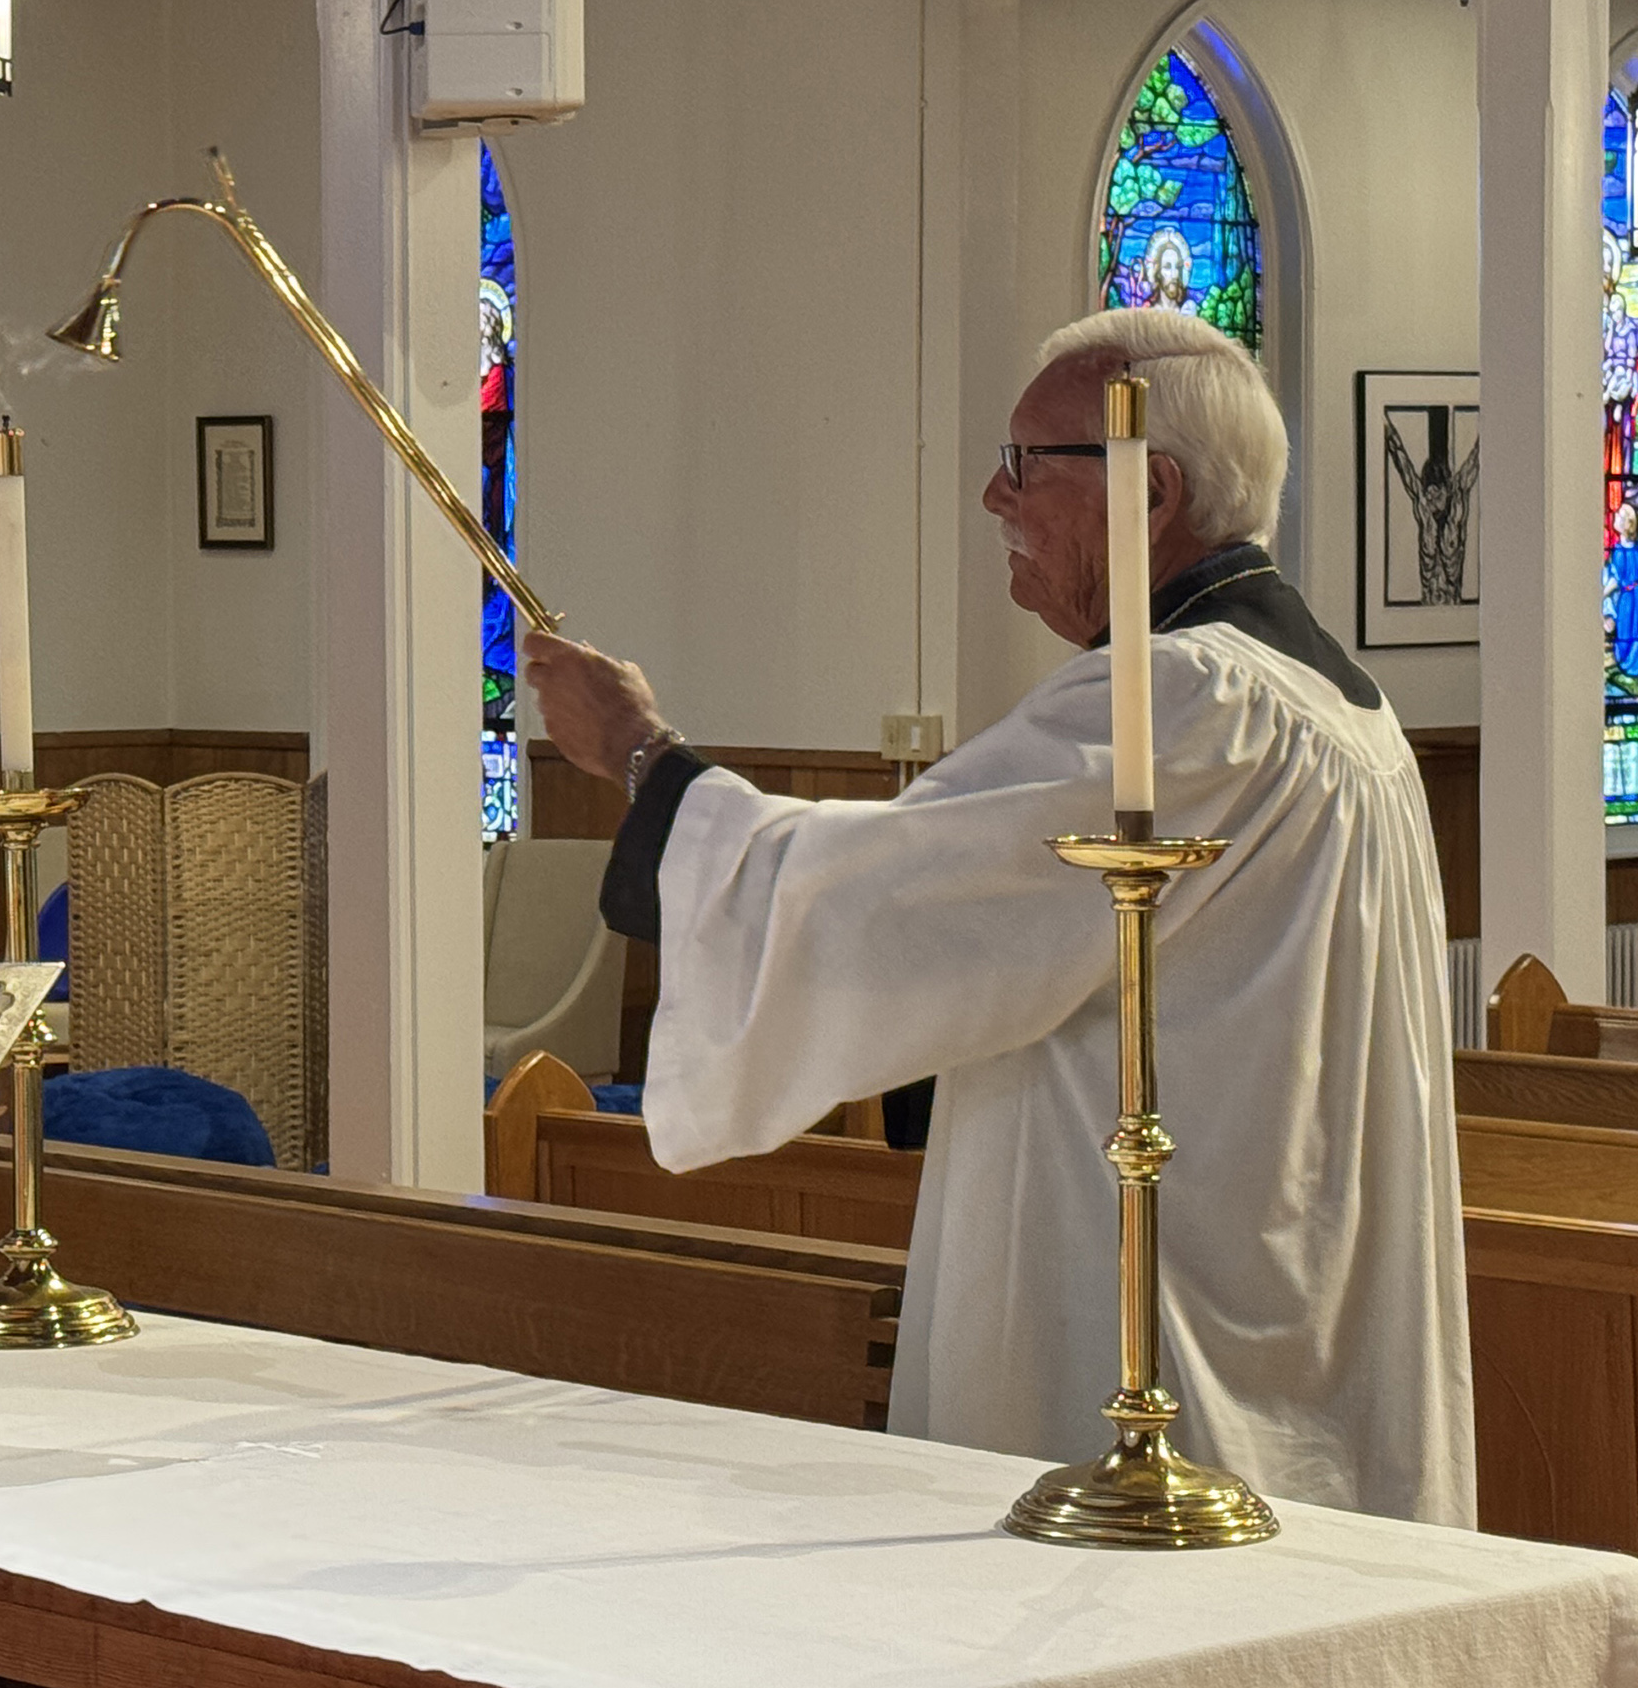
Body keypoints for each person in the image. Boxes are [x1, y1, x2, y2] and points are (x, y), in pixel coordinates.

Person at [524, 307, 1474, 1525]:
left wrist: (642, 755)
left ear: (1151, 490)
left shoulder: (1185, 696)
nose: (994, 495)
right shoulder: (1343, 706)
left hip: (1165, 1327)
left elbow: (888, 900)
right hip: (1288, 1286)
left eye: (1026, 463)